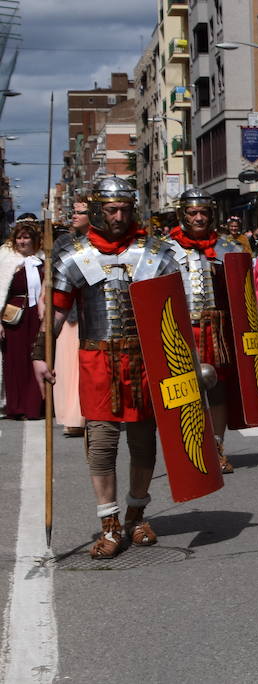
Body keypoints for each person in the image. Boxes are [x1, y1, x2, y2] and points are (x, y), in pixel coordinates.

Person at [32, 176, 182, 559]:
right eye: (111, 210)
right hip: (98, 361)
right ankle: (109, 522)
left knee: (144, 442)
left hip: (145, 361)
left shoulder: (157, 253)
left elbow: (173, 316)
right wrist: (40, 354)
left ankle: (136, 512)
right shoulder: (72, 254)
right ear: (98, 210)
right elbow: (59, 311)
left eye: (125, 210)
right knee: (101, 445)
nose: (119, 216)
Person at [167, 187, 245, 474]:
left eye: (204, 213)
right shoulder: (164, 250)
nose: (199, 218)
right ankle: (189, 449)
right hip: (180, 330)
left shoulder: (229, 248)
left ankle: (216, 448)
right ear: (182, 215)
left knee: (217, 390)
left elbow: (241, 295)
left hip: (216, 330)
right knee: (184, 392)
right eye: (193, 213)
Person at [0, 219, 45, 419]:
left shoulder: (43, 260)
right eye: (19, 237)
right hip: (14, 317)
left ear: (34, 240)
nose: (22, 241)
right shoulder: (6, 260)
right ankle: (16, 407)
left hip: (37, 316)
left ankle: (34, 406)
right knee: (15, 361)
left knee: (36, 358)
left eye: (26, 237)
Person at [54, 200, 89, 436]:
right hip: (68, 311)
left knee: (83, 366)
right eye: (73, 212)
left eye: (80, 212)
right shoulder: (64, 243)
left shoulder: (100, 243)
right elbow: (54, 277)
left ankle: (84, 415)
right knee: (67, 367)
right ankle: (71, 417)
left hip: (91, 310)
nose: (74, 216)